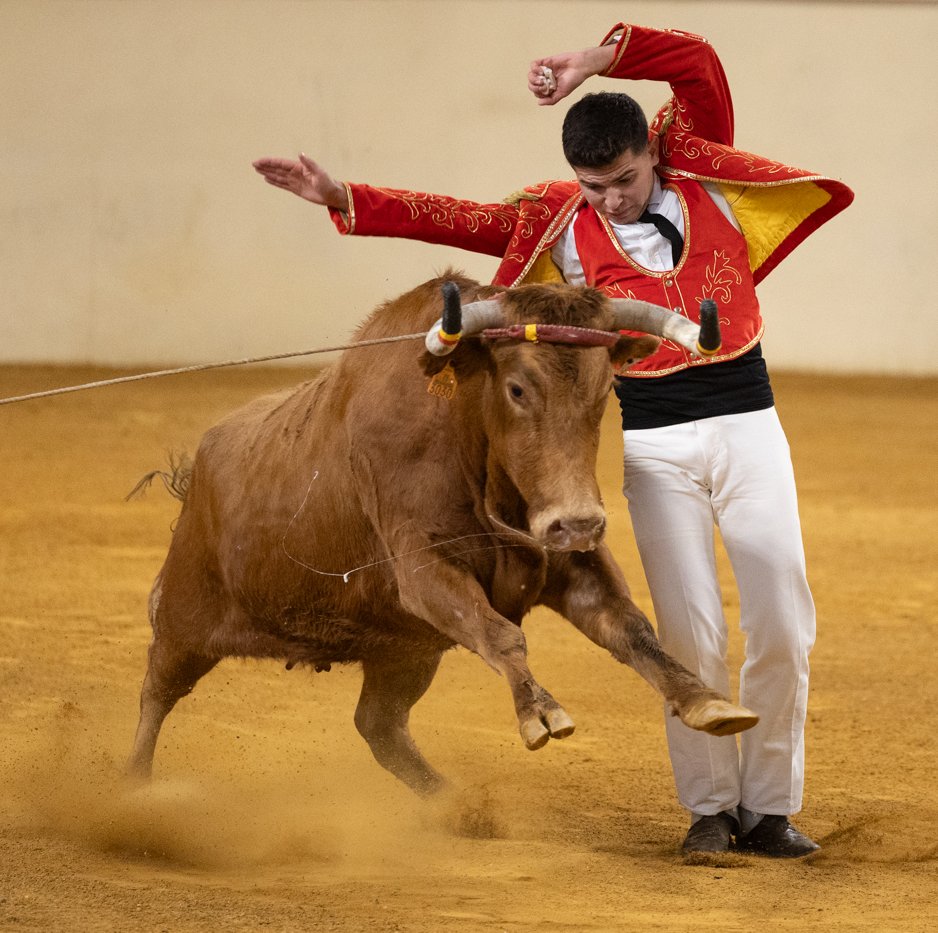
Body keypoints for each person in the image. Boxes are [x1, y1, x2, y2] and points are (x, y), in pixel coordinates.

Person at [255, 23, 852, 861]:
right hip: (650, 439)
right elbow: (458, 219)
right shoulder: (560, 222)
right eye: (594, 184)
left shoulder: (699, 158)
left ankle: (772, 807)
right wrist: (342, 194)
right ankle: (713, 810)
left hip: (749, 422)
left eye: (625, 178)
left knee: (785, 615)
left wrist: (596, 59)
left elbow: (697, 64)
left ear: (653, 152)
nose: (611, 198)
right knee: (690, 630)